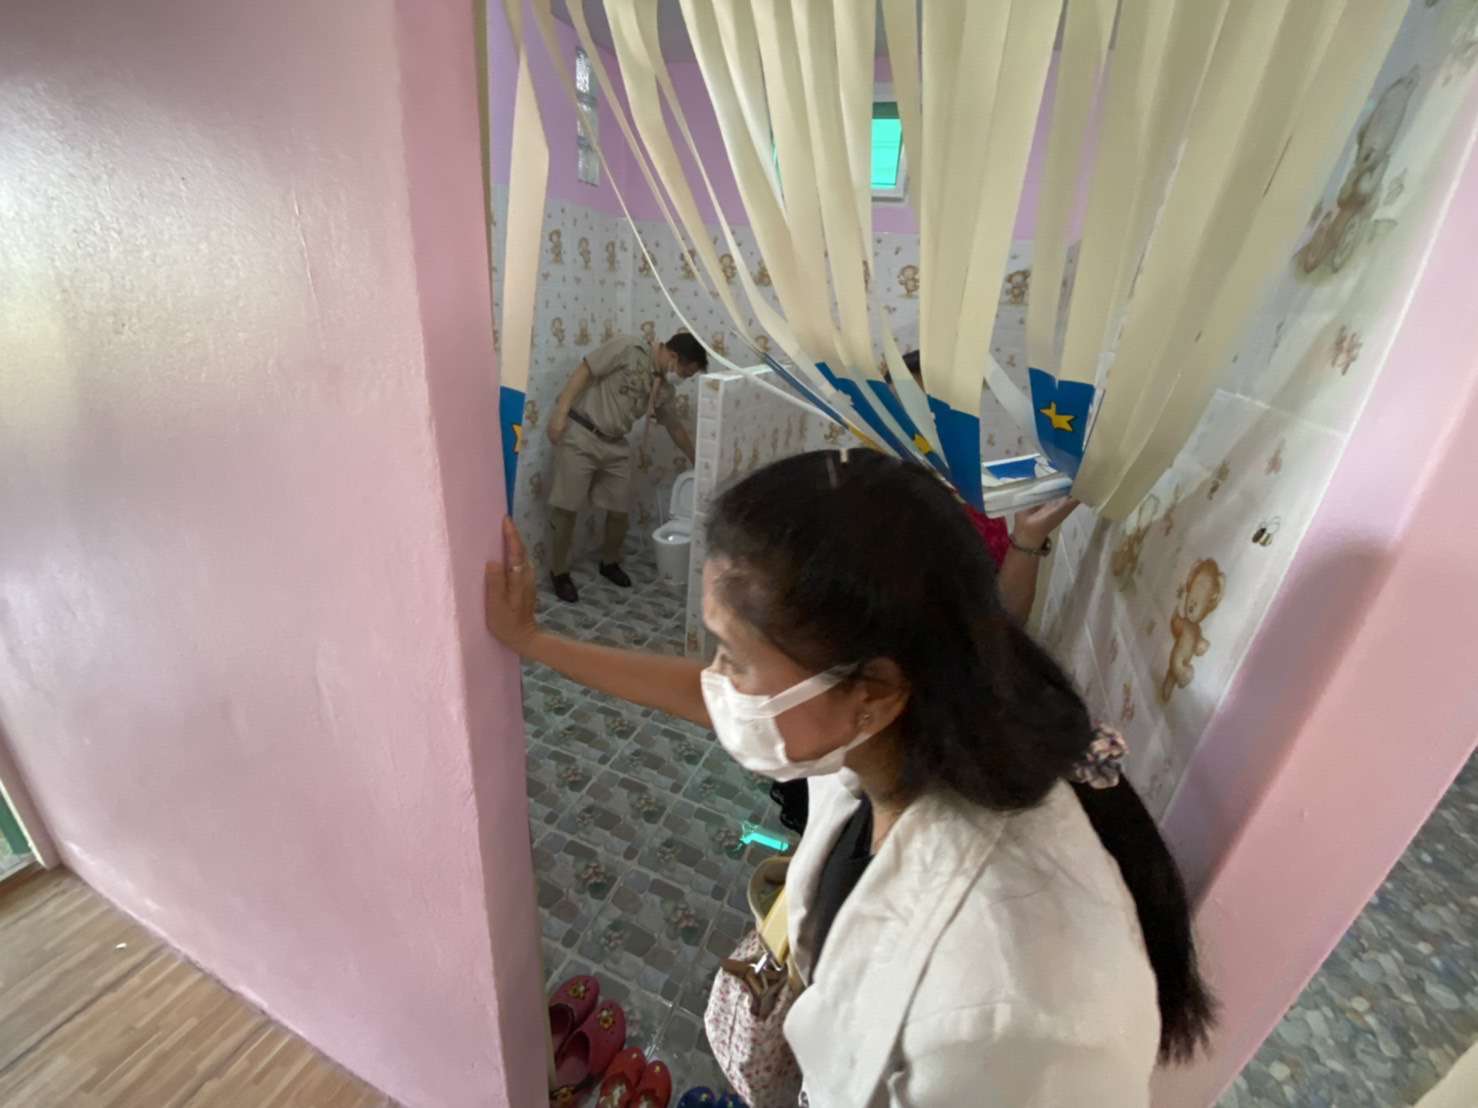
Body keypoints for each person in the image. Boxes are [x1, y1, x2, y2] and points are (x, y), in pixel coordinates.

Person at [486, 449, 1215, 1104]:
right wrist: (536, 642)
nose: (720, 682)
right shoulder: (904, 726)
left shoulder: (1014, 1015)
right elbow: (707, 693)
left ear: (874, 691)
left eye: (735, 657)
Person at [545, 331, 708, 603]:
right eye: (685, 372)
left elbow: (674, 427)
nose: (683, 377)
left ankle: (609, 562)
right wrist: (560, 414)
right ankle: (559, 572)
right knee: (566, 507)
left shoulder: (664, 390)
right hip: (582, 434)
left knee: (619, 509)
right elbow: (585, 370)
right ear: (673, 356)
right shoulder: (628, 348)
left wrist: (697, 459)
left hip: (615, 444)